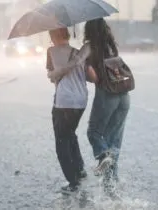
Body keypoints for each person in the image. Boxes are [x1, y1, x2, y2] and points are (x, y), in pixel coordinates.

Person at [48, 18, 130, 196]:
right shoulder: (111, 45)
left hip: (108, 95)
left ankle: (101, 157)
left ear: (89, 30)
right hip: (124, 97)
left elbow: (75, 63)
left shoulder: (90, 46)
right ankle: (111, 187)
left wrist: (57, 72)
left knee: (94, 132)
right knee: (113, 142)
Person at [46, 28, 98, 195]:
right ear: (67, 35)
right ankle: (80, 169)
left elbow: (51, 77)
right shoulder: (78, 52)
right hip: (81, 101)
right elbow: (91, 75)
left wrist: (56, 74)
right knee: (70, 133)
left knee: (61, 141)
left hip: (64, 102)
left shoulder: (51, 52)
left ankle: (72, 181)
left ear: (53, 36)